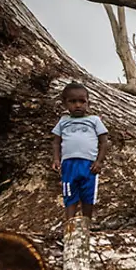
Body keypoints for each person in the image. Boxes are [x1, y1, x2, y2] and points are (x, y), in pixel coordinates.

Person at [51, 82, 110, 220]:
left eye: (82, 101)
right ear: (65, 104)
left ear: (88, 103)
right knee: (69, 194)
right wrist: (56, 159)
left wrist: (99, 162)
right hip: (68, 165)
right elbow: (56, 142)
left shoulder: (94, 120)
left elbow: (104, 142)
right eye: (72, 101)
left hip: (89, 165)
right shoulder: (63, 121)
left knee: (88, 194)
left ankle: (86, 223)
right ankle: (69, 224)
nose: (78, 105)